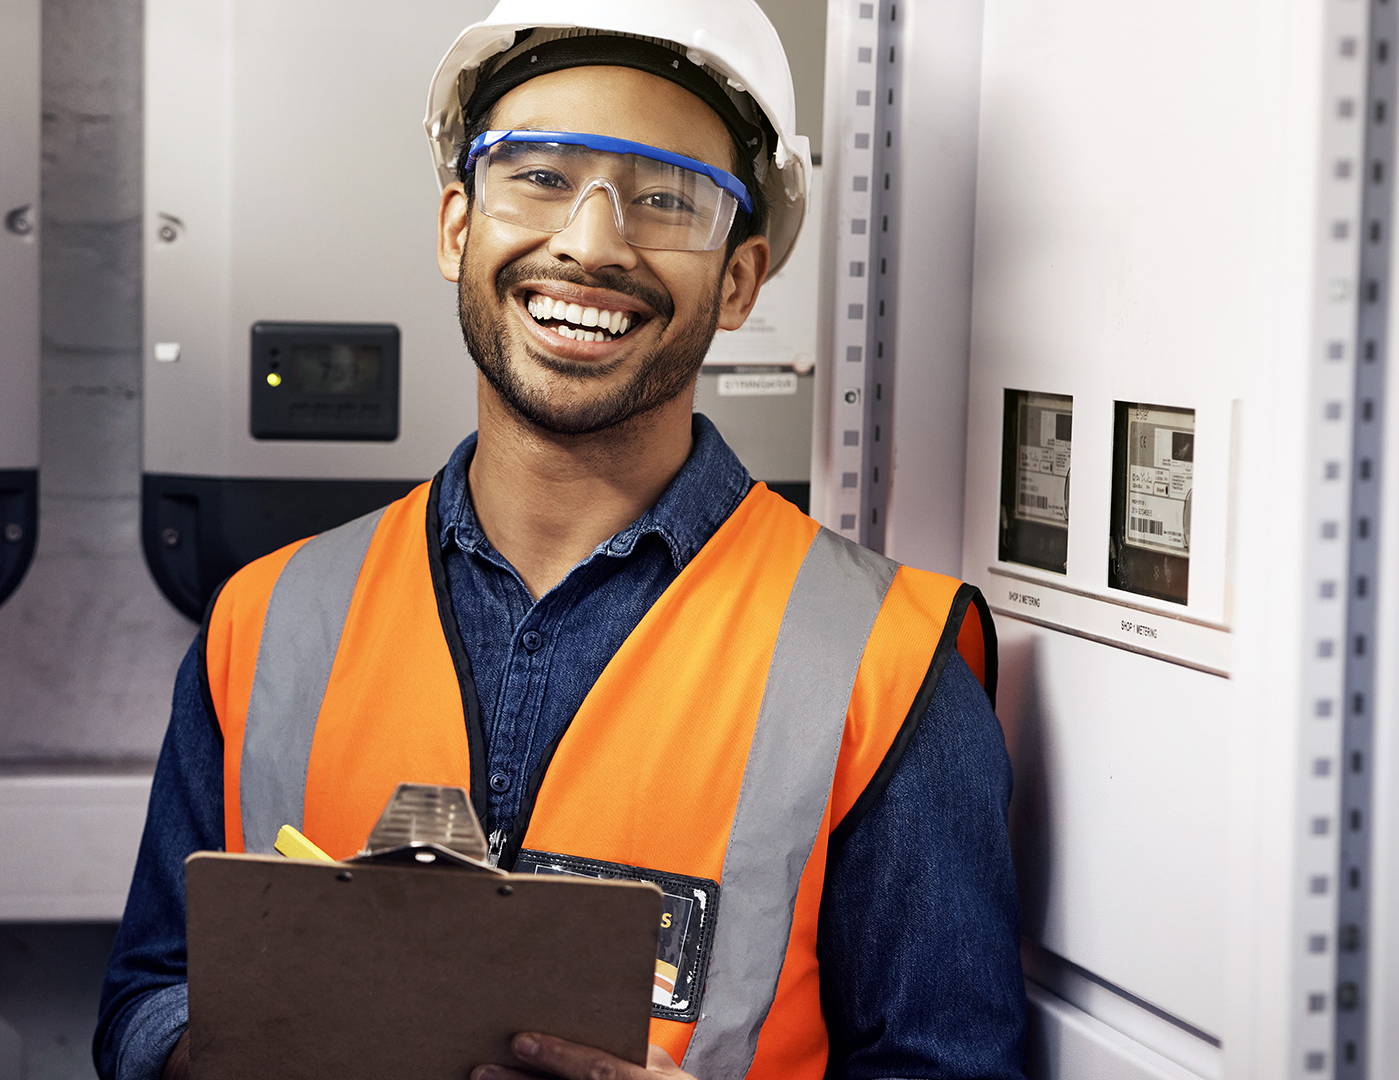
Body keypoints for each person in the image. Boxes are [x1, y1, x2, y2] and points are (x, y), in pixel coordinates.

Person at [95, 3, 1027, 1078]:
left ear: (738, 281)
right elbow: (148, 996)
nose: (590, 243)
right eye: (538, 176)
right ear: (457, 225)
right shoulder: (266, 618)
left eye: (666, 198)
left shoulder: (890, 663)